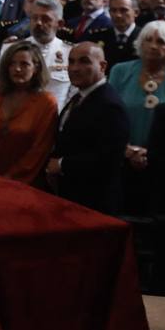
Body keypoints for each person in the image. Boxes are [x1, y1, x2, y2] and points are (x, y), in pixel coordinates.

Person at [107, 20, 165, 214]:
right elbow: (109, 117)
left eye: (161, 41)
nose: (153, 46)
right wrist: (128, 150)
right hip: (121, 156)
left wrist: (151, 154)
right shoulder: (120, 71)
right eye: (148, 40)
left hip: (164, 164)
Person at [48, 42, 129, 213]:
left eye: (84, 61)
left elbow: (109, 159)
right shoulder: (80, 97)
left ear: (102, 66)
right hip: (71, 196)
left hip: (95, 202)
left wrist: (62, 164)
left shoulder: (109, 105)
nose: (75, 68)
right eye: (71, 61)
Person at [0, 41, 58, 185]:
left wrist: (9, 179)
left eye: (24, 64)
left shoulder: (47, 103)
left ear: (36, 68)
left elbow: (39, 150)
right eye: (12, 64)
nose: (17, 69)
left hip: (22, 184)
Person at [0, 0, 71, 107]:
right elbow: (0, 87)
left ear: (60, 24)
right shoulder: (11, 49)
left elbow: (73, 95)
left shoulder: (70, 53)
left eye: (45, 19)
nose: (38, 23)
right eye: (34, 18)